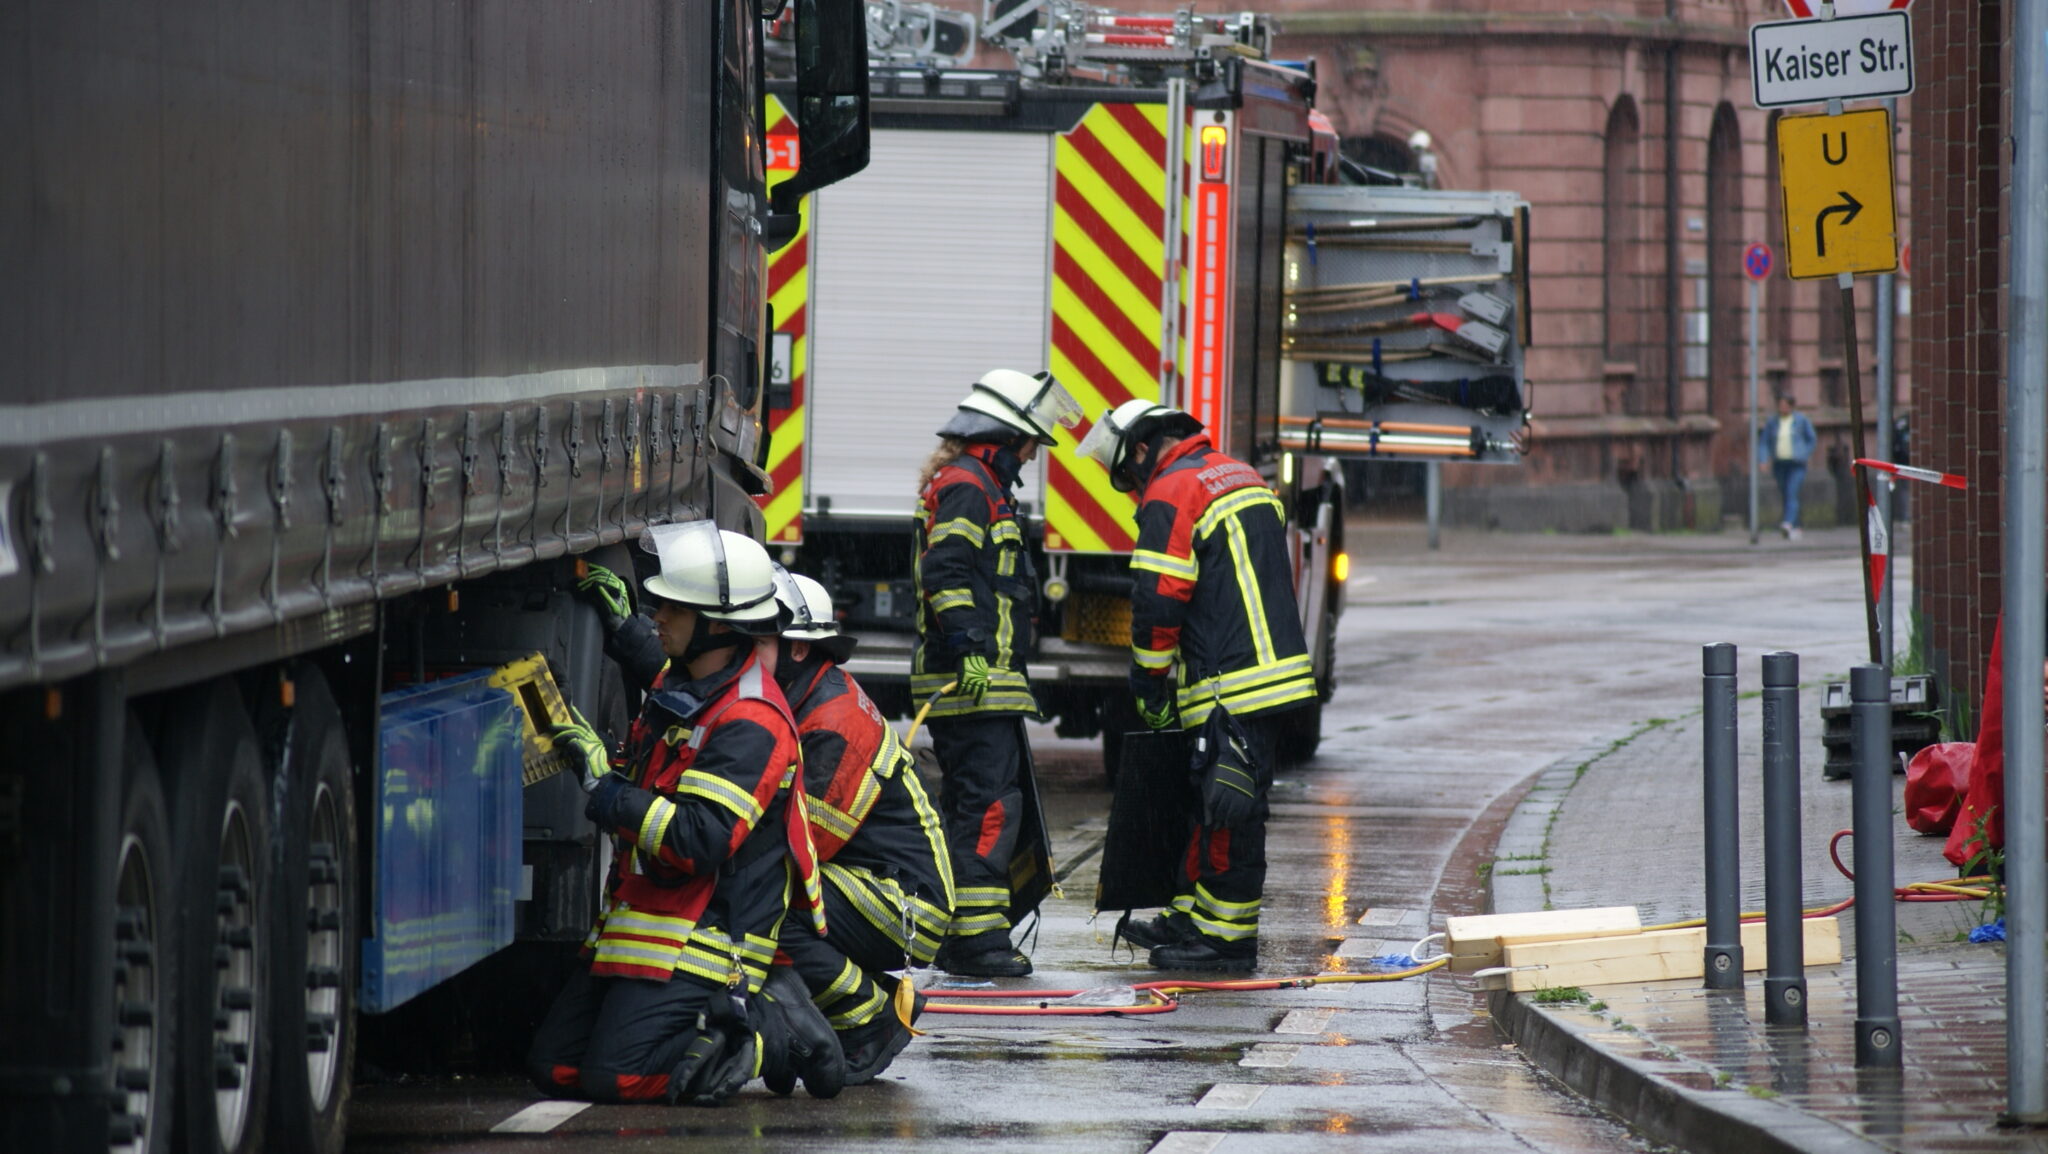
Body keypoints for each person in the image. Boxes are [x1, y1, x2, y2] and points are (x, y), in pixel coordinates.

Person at [525, 522, 845, 1105]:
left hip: (711, 937)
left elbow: (700, 839)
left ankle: (766, 1033)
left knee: (615, 1079)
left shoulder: (753, 721)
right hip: (650, 922)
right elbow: (664, 688)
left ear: (718, 626)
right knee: (553, 1067)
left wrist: (605, 787)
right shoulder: (690, 685)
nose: (658, 618)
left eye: (673, 608)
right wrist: (622, 631)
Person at [1075, 400, 1317, 973]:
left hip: (1228, 682)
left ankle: (1225, 941)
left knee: (1230, 811)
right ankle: (1190, 919)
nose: (1136, 489)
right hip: (1264, 671)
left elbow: (1160, 598)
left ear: (1141, 448)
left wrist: (1148, 683)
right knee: (1205, 806)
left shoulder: (1173, 489)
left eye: (1130, 476)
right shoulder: (1239, 475)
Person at [912, 368, 1082, 977]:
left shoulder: (979, 482)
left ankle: (968, 930)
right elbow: (947, 572)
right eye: (1031, 441)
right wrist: (970, 646)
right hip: (972, 681)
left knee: (975, 805)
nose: (1034, 454)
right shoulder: (968, 486)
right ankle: (977, 941)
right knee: (988, 808)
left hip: (985, 679)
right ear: (1003, 435)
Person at [764, 567, 955, 1083]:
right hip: (873, 881)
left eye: (762, 637)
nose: (747, 649)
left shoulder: (834, 723)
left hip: (906, 900)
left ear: (798, 649)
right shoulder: (808, 696)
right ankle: (862, 1002)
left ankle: (869, 1020)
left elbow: (804, 847)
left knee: (769, 894)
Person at [1757, 393, 1817, 539]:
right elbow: (1764, 442)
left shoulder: (1800, 420)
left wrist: (1804, 453)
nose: (1782, 408)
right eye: (1780, 405)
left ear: (1791, 406)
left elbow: (1811, 439)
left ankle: (1788, 523)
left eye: (1785, 405)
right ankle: (1795, 527)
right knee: (1786, 493)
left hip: (1796, 463)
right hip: (1779, 463)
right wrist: (1763, 459)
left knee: (1791, 491)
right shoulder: (1773, 422)